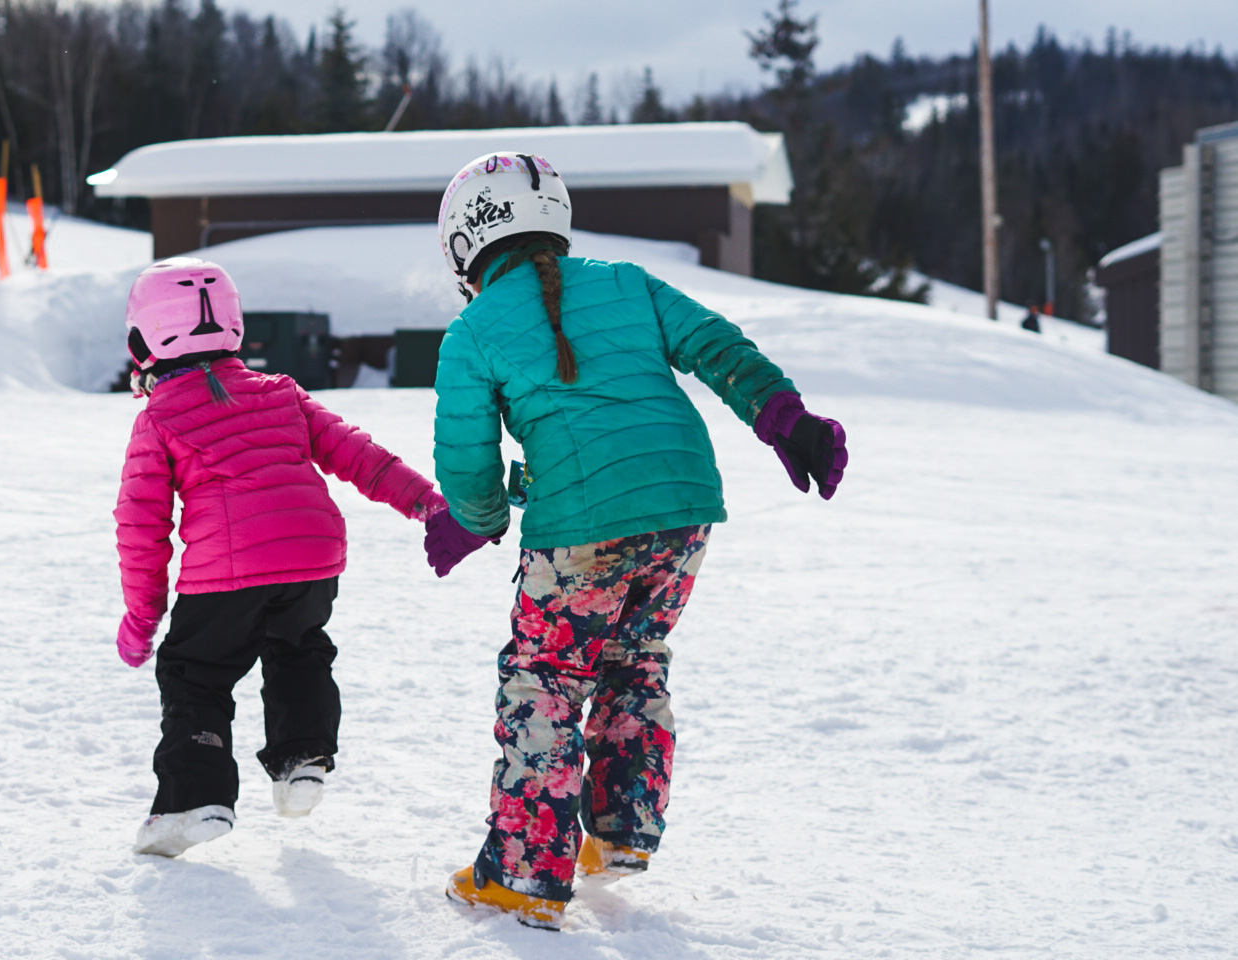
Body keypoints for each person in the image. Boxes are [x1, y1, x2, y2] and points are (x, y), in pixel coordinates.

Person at [423, 152, 848, 930]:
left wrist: (477, 518)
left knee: (546, 674)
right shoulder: (627, 281)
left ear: (463, 244)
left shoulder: (473, 330)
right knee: (633, 657)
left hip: (580, 534)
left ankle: (524, 872)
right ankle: (619, 830)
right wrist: (785, 419)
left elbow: (468, 463)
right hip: (683, 511)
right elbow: (717, 348)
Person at [113, 257, 448, 858]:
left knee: (196, 673)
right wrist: (428, 504)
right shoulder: (281, 393)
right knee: (298, 650)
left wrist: (143, 616)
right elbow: (359, 456)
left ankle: (195, 798)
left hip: (226, 572)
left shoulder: (158, 418)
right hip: (313, 555)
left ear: (145, 340)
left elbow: (143, 528)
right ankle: (303, 758)